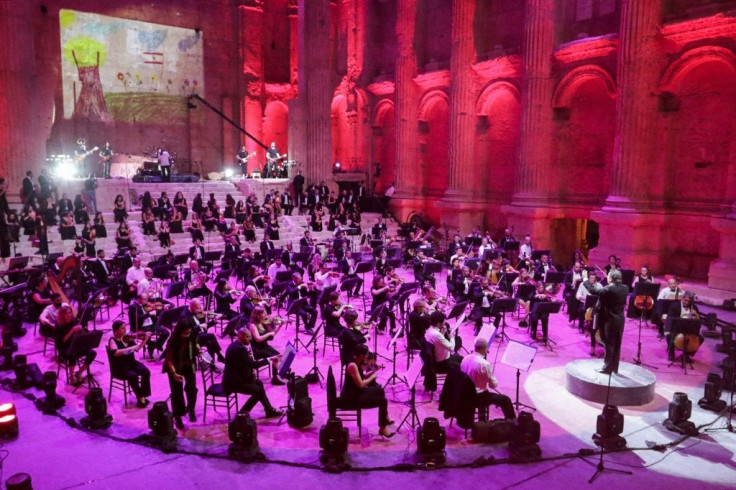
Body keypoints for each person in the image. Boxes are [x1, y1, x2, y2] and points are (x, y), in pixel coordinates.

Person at [222, 327, 283, 418]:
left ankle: (268, 410)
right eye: (247, 337)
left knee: (259, 384)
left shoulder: (239, 345)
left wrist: (269, 357)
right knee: (259, 391)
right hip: (233, 382)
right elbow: (253, 364)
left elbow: (243, 364)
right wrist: (269, 360)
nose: (250, 339)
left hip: (240, 376)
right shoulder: (239, 349)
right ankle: (242, 414)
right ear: (240, 336)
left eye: (250, 336)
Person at [342, 344, 394, 438]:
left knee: (380, 390)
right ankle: (382, 428)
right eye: (366, 355)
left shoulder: (356, 361)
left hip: (356, 392)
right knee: (383, 401)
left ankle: (385, 417)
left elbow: (360, 377)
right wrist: (372, 377)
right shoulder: (352, 365)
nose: (367, 356)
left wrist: (373, 371)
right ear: (361, 355)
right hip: (352, 397)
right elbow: (361, 384)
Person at [461, 337, 516, 421]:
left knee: (482, 388)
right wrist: (492, 379)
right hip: (477, 397)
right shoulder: (484, 364)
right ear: (484, 349)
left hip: (464, 394)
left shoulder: (465, 358)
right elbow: (493, 385)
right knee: (505, 400)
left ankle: (482, 419)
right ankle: (512, 424)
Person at [163, 320, 200, 429]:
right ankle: (178, 416)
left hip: (188, 364)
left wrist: (198, 350)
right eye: (185, 333)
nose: (187, 334)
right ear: (179, 331)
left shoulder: (192, 334)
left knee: (192, 388)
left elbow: (195, 343)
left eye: (188, 332)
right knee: (176, 392)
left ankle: (191, 409)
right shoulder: (173, 341)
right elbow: (169, 359)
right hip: (174, 366)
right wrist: (174, 373)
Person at [108, 320, 152, 408]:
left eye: (125, 328)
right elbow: (116, 353)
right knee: (133, 375)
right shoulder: (112, 340)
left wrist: (146, 338)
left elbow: (137, 348)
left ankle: (142, 395)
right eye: (122, 328)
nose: (125, 330)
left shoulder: (128, 338)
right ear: (116, 331)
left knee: (146, 372)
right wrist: (130, 348)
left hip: (131, 362)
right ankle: (140, 397)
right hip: (120, 366)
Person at [594, 269, 629, 375]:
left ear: (612, 278)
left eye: (608, 275)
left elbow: (595, 291)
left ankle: (607, 368)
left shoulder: (608, 289)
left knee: (609, 344)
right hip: (620, 319)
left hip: (609, 320)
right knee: (617, 344)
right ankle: (614, 368)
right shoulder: (625, 288)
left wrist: (586, 279)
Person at [55, 304, 98, 386]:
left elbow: (82, 334)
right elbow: (61, 341)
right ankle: (71, 377)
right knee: (73, 354)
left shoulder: (74, 321)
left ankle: (79, 372)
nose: (69, 315)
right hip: (64, 348)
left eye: (70, 313)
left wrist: (81, 329)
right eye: (66, 313)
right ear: (62, 315)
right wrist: (71, 330)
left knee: (92, 353)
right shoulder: (59, 326)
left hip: (76, 344)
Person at [248, 306, 286, 385]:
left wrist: (280, 326)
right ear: (257, 315)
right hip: (257, 349)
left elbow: (272, 336)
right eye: (263, 313)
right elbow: (258, 339)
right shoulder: (253, 325)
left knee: (279, 356)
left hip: (264, 346)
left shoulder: (262, 323)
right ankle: (275, 378)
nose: (266, 314)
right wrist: (269, 333)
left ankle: (277, 374)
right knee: (276, 357)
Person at [662, 291, 704, 362]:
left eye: (689, 301)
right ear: (682, 298)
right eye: (685, 300)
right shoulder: (674, 306)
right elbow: (670, 319)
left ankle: (686, 355)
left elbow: (699, 321)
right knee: (669, 335)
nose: (687, 303)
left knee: (700, 339)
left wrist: (696, 315)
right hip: (676, 328)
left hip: (689, 329)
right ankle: (671, 353)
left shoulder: (694, 307)